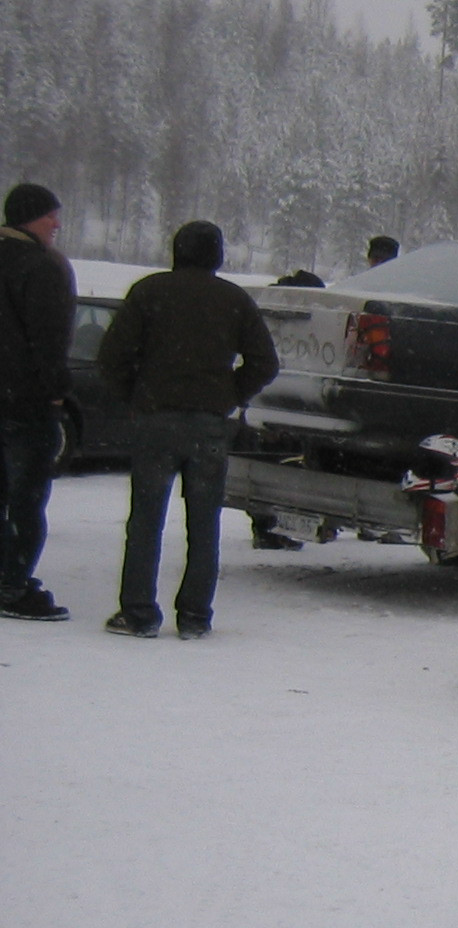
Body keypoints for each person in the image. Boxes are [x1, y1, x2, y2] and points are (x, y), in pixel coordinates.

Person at [96, 220, 279, 639]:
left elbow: (111, 358)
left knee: (145, 519)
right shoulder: (234, 300)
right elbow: (265, 363)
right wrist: (229, 394)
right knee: (204, 520)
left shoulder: (148, 292)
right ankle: (195, 615)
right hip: (210, 425)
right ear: (217, 256)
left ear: (176, 251)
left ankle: (139, 612)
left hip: (156, 419)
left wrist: (137, 397)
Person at [0, 182, 74, 621]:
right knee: (27, 498)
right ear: (30, 218)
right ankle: (13, 584)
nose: (57, 224)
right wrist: (56, 392)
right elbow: (49, 342)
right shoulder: (40, 268)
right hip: (24, 402)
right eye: (51, 216)